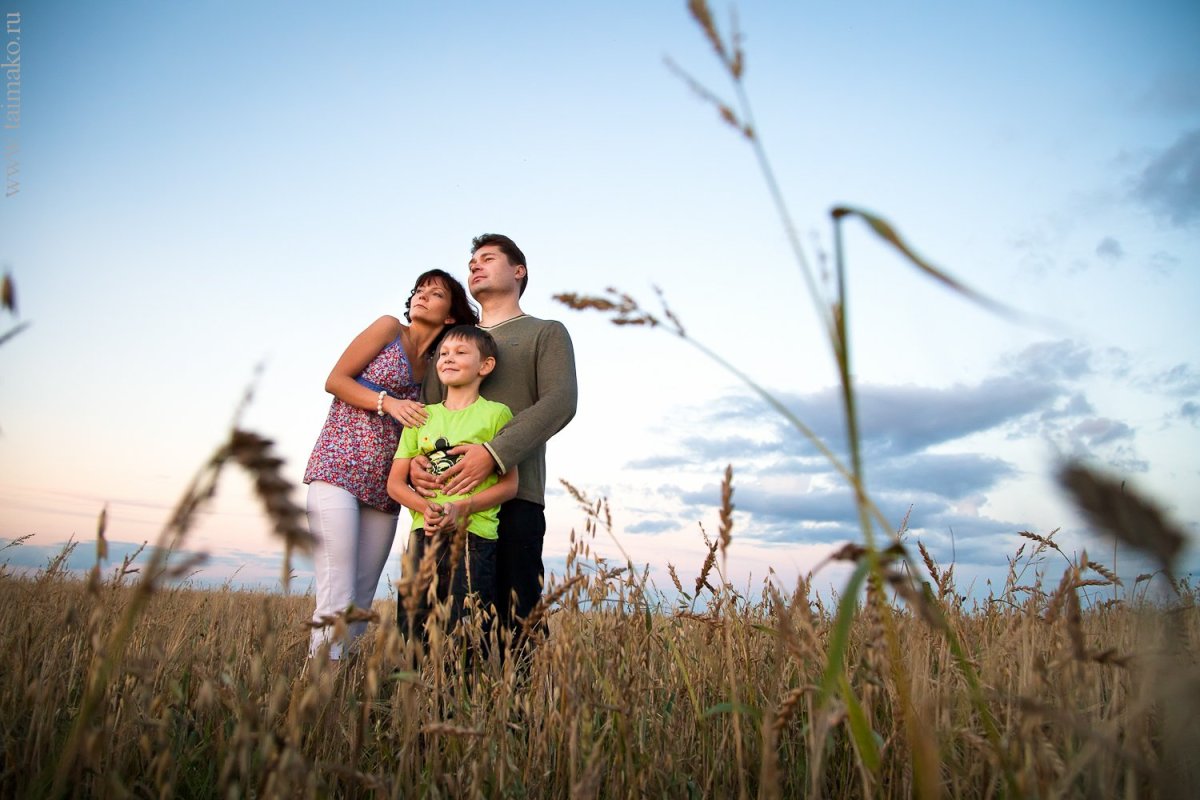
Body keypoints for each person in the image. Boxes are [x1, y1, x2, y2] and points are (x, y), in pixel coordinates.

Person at [411, 233, 577, 657]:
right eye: (470, 263)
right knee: (442, 625)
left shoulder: (545, 332)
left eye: (487, 259)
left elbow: (560, 401)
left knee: (516, 620)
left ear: (518, 271)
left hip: (514, 495)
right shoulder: (453, 343)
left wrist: (493, 452)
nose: (475, 267)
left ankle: (519, 719)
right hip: (447, 504)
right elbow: (428, 412)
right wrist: (415, 462)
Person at [303, 269, 477, 661]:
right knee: (338, 593)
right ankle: (314, 697)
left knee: (362, 600)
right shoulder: (388, 329)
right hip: (339, 468)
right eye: (419, 291)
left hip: (386, 486)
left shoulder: (438, 362)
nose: (422, 297)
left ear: (450, 315)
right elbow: (335, 380)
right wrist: (389, 402)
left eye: (435, 294)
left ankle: (340, 691)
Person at [386, 325, 518, 642]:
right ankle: (414, 690)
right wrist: (426, 508)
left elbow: (510, 485)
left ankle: (462, 690)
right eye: (443, 353)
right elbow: (395, 484)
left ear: (484, 365)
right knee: (413, 624)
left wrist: (460, 507)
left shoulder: (497, 414)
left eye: (460, 352)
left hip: (475, 536)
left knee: (466, 628)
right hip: (425, 534)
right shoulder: (421, 416)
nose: (448, 358)